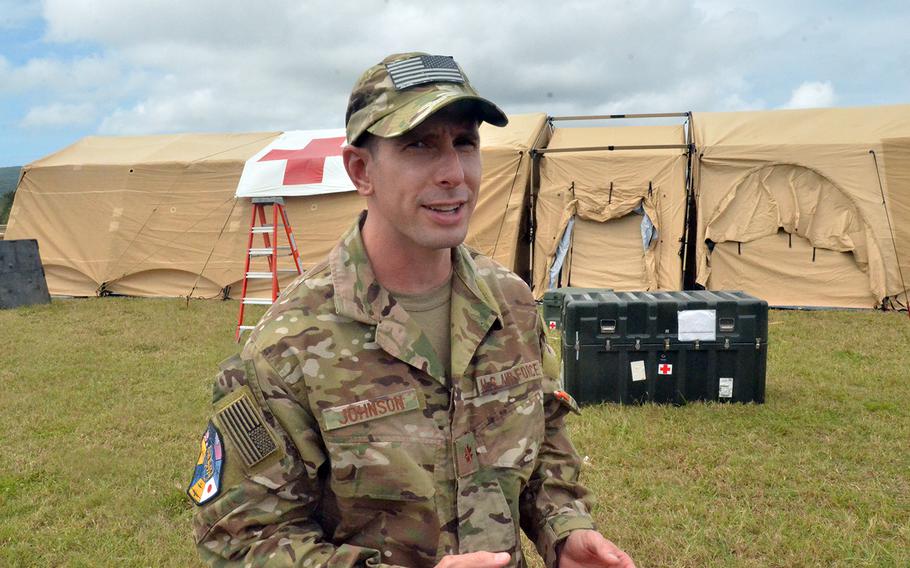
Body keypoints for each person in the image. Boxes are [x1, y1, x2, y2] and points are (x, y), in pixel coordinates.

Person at [187, 52, 636, 568]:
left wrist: (565, 530)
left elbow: (545, 442)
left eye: (464, 142)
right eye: (419, 145)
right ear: (361, 169)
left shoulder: (511, 306)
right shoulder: (286, 345)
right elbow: (244, 540)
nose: (453, 174)